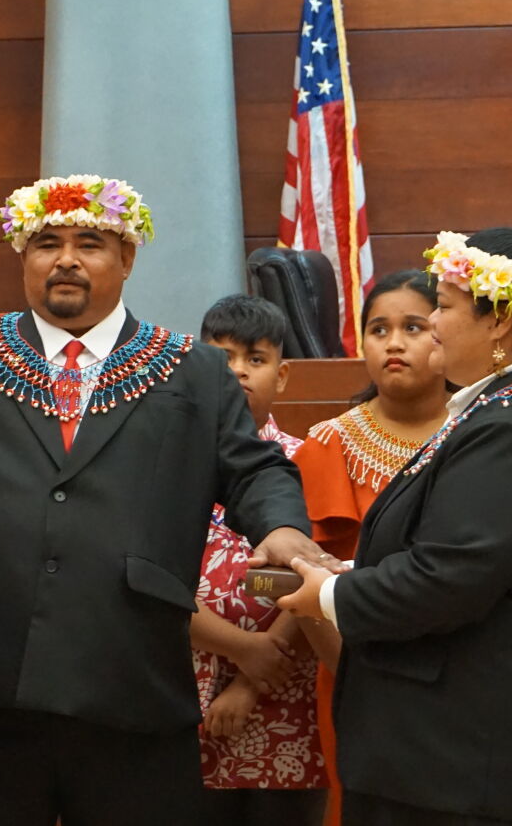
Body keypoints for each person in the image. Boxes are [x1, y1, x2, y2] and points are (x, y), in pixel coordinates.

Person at [0, 176, 331, 826]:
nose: (67, 258)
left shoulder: (190, 369)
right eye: (46, 242)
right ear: (24, 257)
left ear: (127, 258)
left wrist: (278, 526)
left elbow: (256, 469)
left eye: (90, 242)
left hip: (129, 672)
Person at [281, 227, 512, 825]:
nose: (434, 324)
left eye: (441, 308)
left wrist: (331, 593)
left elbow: (447, 577)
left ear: (498, 321)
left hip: (472, 768)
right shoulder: (510, 410)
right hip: (461, 761)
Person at [292, 268, 452, 826]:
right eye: (379, 329)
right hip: (353, 678)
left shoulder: (485, 434)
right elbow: (300, 578)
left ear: (446, 333)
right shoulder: (327, 444)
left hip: (463, 677)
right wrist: (362, 677)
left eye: (414, 326)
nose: (395, 342)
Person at [190, 294, 328, 826]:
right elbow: (143, 574)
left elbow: (322, 573)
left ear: (283, 373)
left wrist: (253, 675)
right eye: (222, 358)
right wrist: (240, 646)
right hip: (185, 690)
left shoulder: (308, 460)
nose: (239, 373)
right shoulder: (164, 462)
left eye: (255, 358)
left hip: (282, 693)